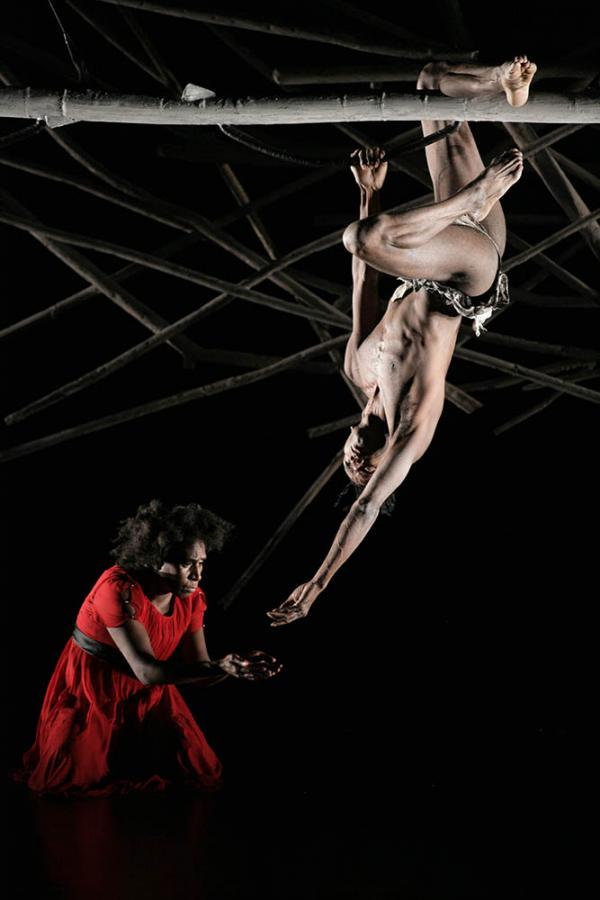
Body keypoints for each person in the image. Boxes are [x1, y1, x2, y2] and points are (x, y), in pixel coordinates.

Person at [267, 56, 537, 627]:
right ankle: (472, 200)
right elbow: (364, 510)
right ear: (385, 464)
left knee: (430, 84)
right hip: (468, 276)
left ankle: (504, 85)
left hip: (438, 244)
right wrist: (316, 585)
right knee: (361, 239)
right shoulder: (413, 424)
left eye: (349, 466)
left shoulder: (356, 369)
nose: (356, 463)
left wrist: (370, 191)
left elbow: (363, 283)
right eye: (367, 470)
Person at [12, 499, 281, 797]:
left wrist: (235, 667)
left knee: (198, 769)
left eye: (202, 562)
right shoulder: (117, 589)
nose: (197, 575)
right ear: (154, 559)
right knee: (67, 779)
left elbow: (200, 672)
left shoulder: (191, 598)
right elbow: (147, 671)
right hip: (95, 693)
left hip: (150, 696)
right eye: (186, 563)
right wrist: (220, 666)